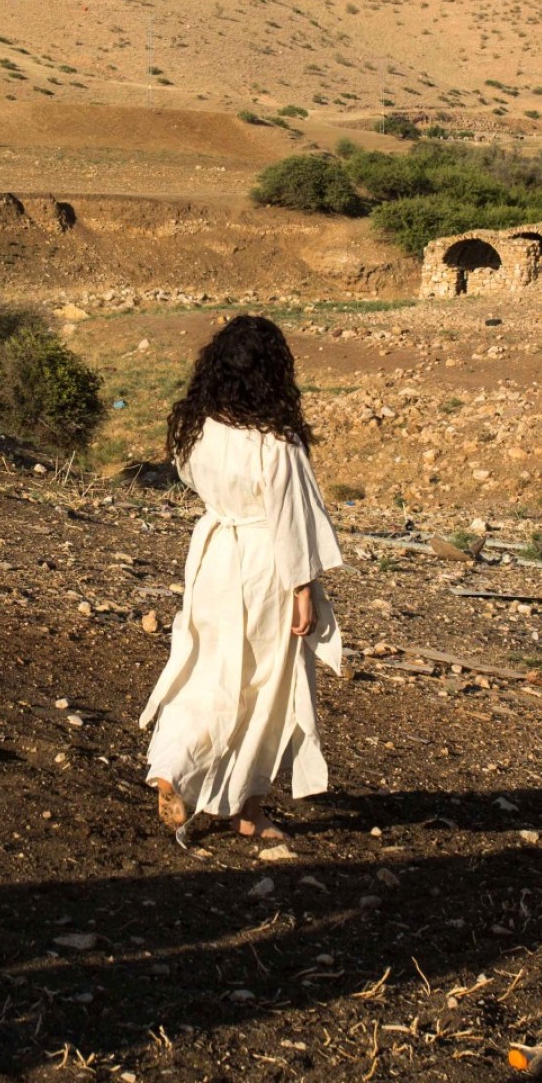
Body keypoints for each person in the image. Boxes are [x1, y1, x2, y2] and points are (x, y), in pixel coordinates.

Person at [140, 314, 343, 842]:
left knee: (204, 667)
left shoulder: (198, 427)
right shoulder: (275, 439)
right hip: (264, 563)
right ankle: (250, 811)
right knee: (266, 685)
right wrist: (303, 590)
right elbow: (292, 517)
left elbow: (189, 477)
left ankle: (173, 763)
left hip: (212, 557)